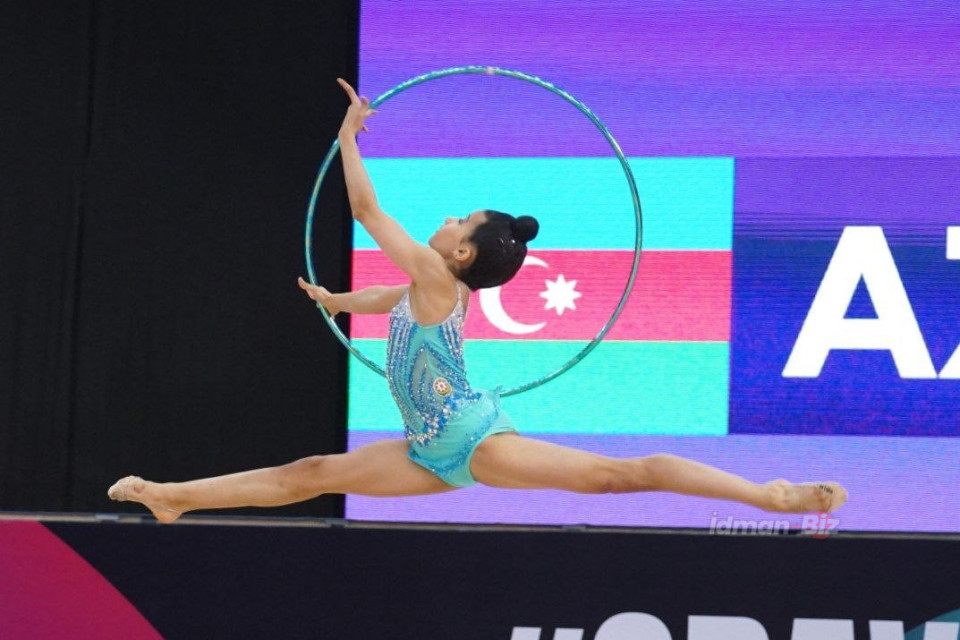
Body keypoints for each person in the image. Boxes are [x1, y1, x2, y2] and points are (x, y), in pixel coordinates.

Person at [108, 79, 847, 523]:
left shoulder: (438, 279)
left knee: (623, 475)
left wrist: (348, 137)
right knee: (311, 473)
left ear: (460, 255)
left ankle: (771, 494)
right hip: (429, 450)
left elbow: (367, 214)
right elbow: (384, 295)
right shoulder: (427, 286)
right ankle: (174, 497)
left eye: (460, 222)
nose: (451, 219)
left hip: (474, 440)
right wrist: (337, 299)